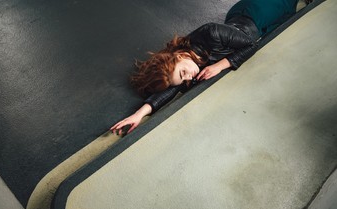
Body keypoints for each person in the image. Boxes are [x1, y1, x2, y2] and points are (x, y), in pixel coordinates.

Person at [111, 0, 311, 135]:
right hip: (250, 21)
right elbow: (172, 90)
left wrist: (220, 66)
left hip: (259, 11)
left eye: (183, 73)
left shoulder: (212, 32)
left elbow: (251, 44)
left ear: (179, 55)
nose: (189, 77)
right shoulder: (186, 64)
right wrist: (138, 114)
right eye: (184, 79)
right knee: (286, 18)